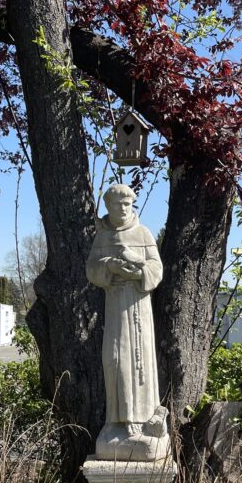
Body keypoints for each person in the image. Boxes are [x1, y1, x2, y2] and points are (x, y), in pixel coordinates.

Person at [86, 184, 168, 459]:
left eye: (127, 204)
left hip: (138, 307)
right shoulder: (103, 236)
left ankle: (141, 421)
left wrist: (137, 266)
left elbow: (156, 270)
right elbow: (92, 269)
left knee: (139, 362)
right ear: (108, 206)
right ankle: (115, 422)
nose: (122, 209)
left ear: (132, 205)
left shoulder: (143, 233)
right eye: (116, 204)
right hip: (115, 307)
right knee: (114, 360)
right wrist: (109, 265)